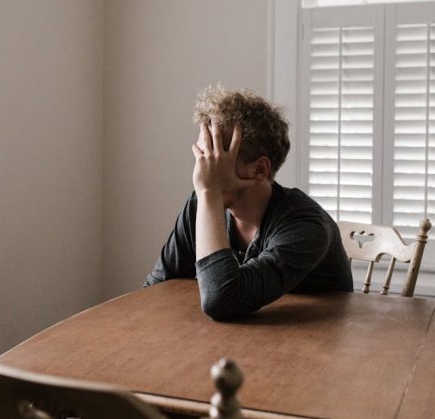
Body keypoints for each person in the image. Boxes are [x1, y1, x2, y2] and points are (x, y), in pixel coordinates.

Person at [145, 85, 353, 320]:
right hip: (234, 341)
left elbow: (222, 300)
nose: (202, 170)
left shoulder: (306, 225)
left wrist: (209, 193)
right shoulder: (201, 204)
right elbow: (155, 288)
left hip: (314, 345)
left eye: (216, 157)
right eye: (202, 156)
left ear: (259, 169)